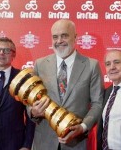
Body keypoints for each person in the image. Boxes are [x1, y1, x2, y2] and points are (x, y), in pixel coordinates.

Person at [30, 19, 104, 149]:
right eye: (55, 37)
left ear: (75, 37)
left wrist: (82, 127)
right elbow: (31, 100)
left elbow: (98, 103)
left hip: (76, 142)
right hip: (44, 142)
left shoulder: (91, 66)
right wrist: (33, 112)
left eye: (64, 35)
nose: (59, 41)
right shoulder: (40, 64)